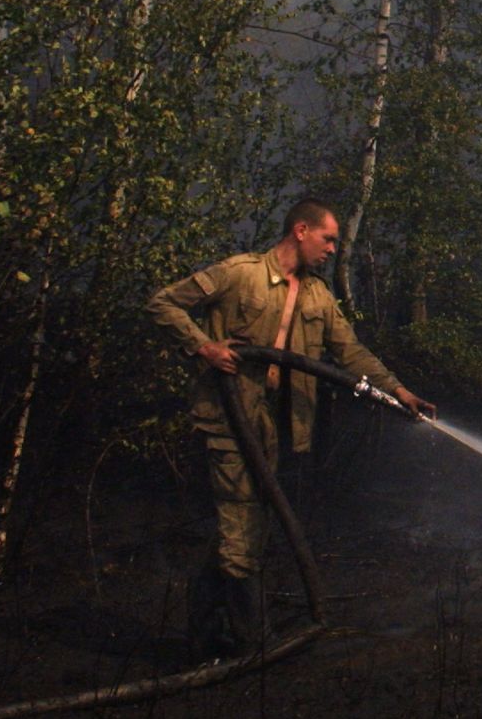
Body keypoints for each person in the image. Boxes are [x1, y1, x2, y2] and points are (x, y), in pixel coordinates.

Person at [146, 197, 435, 656]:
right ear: (301, 231)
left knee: (244, 529)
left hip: (275, 428)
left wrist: (399, 392)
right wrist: (204, 347)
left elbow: (351, 354)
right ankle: (251, 645)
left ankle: (203, 639)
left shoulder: (319, 295)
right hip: (230, 420)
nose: (332, 250)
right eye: (328, 238)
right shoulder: (239, 273)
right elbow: (163, 303)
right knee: (242, 530)